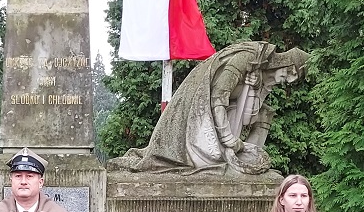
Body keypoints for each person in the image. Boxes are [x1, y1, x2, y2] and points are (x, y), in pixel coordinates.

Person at [109, 42, 309, 175]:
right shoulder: (246, 58)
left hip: (223, 121)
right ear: (286, 62)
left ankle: (240, 161)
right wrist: (227, 138)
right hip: (201, 115)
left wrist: (257, 89)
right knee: (212, 159)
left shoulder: (263, 76)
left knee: (265, 112)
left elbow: (248, 118)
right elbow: (218, 98)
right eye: (291, 72)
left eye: (295, 77)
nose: (289, 80)